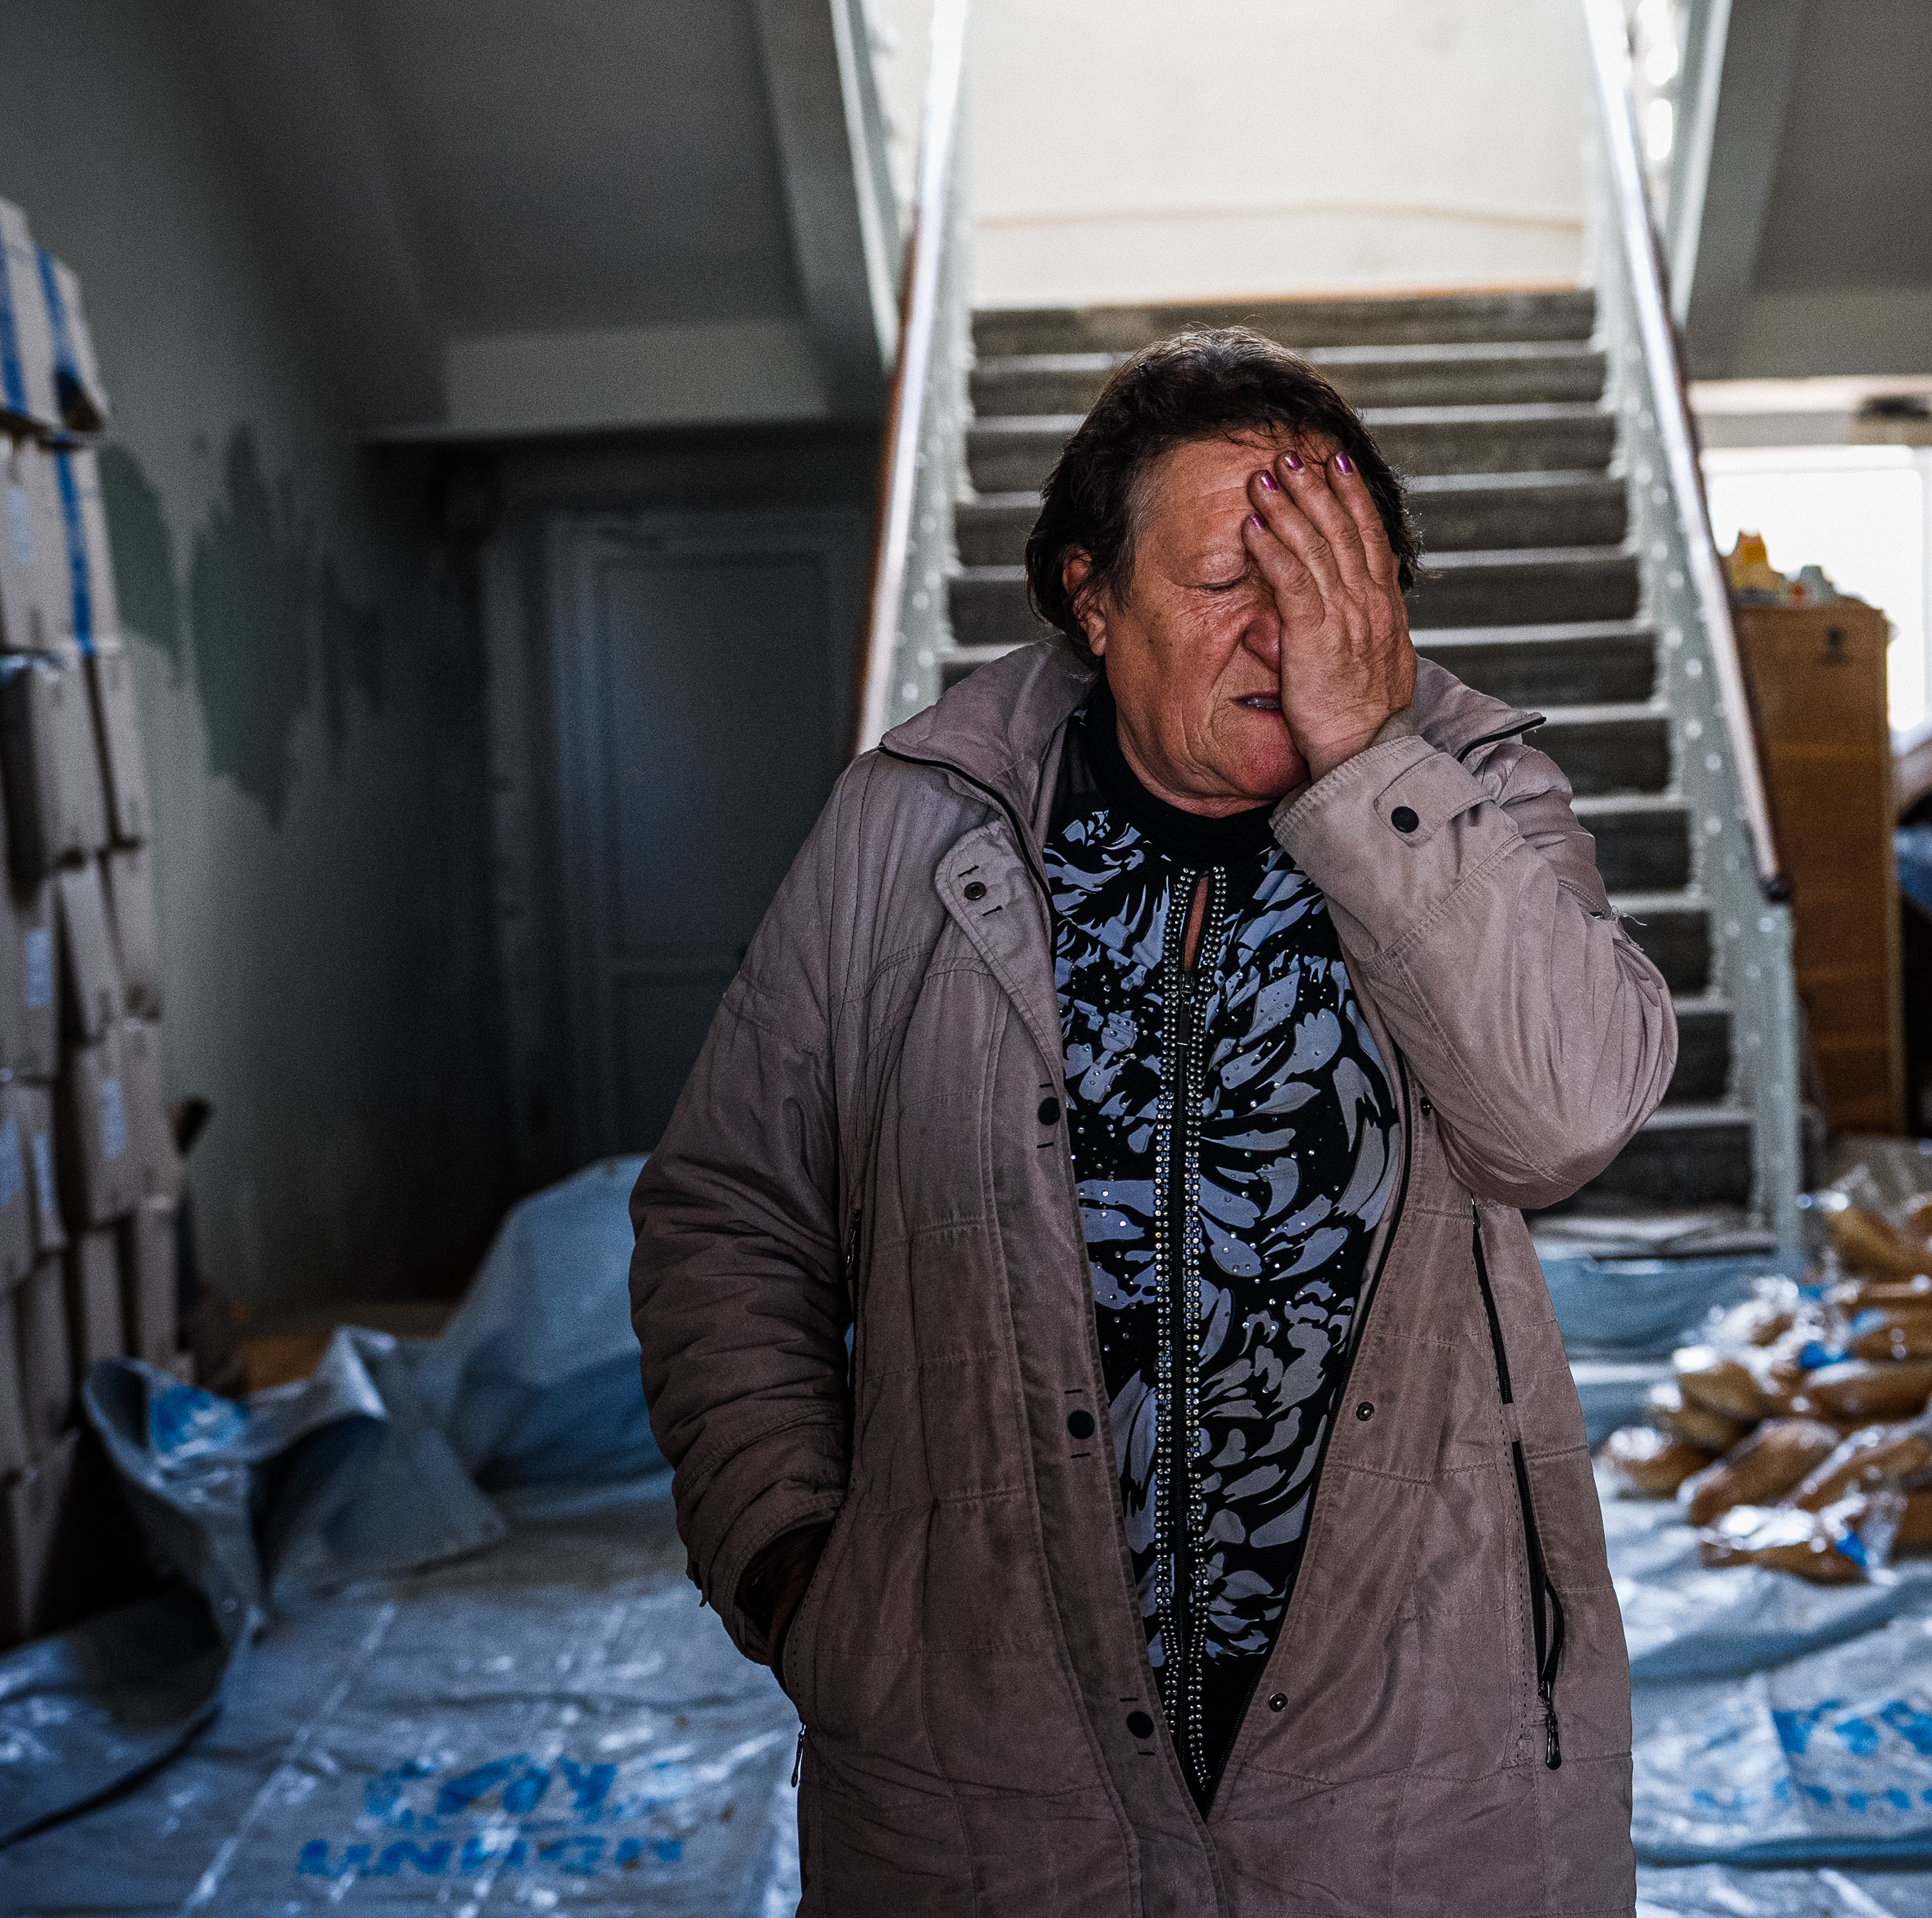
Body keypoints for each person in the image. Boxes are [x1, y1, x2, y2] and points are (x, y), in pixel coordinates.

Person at [631, 326, 1675, 1914]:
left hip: (1404, 1749)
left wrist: (1367, 764)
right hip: (989, 1761)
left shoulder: (1469, 796)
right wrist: (792, 1559)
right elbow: (731, 1214)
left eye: (1331, 576)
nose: (1288, 632)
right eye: (1224, 581)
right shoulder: (909, 830)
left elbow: (1563, 1117)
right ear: (1089, 598)